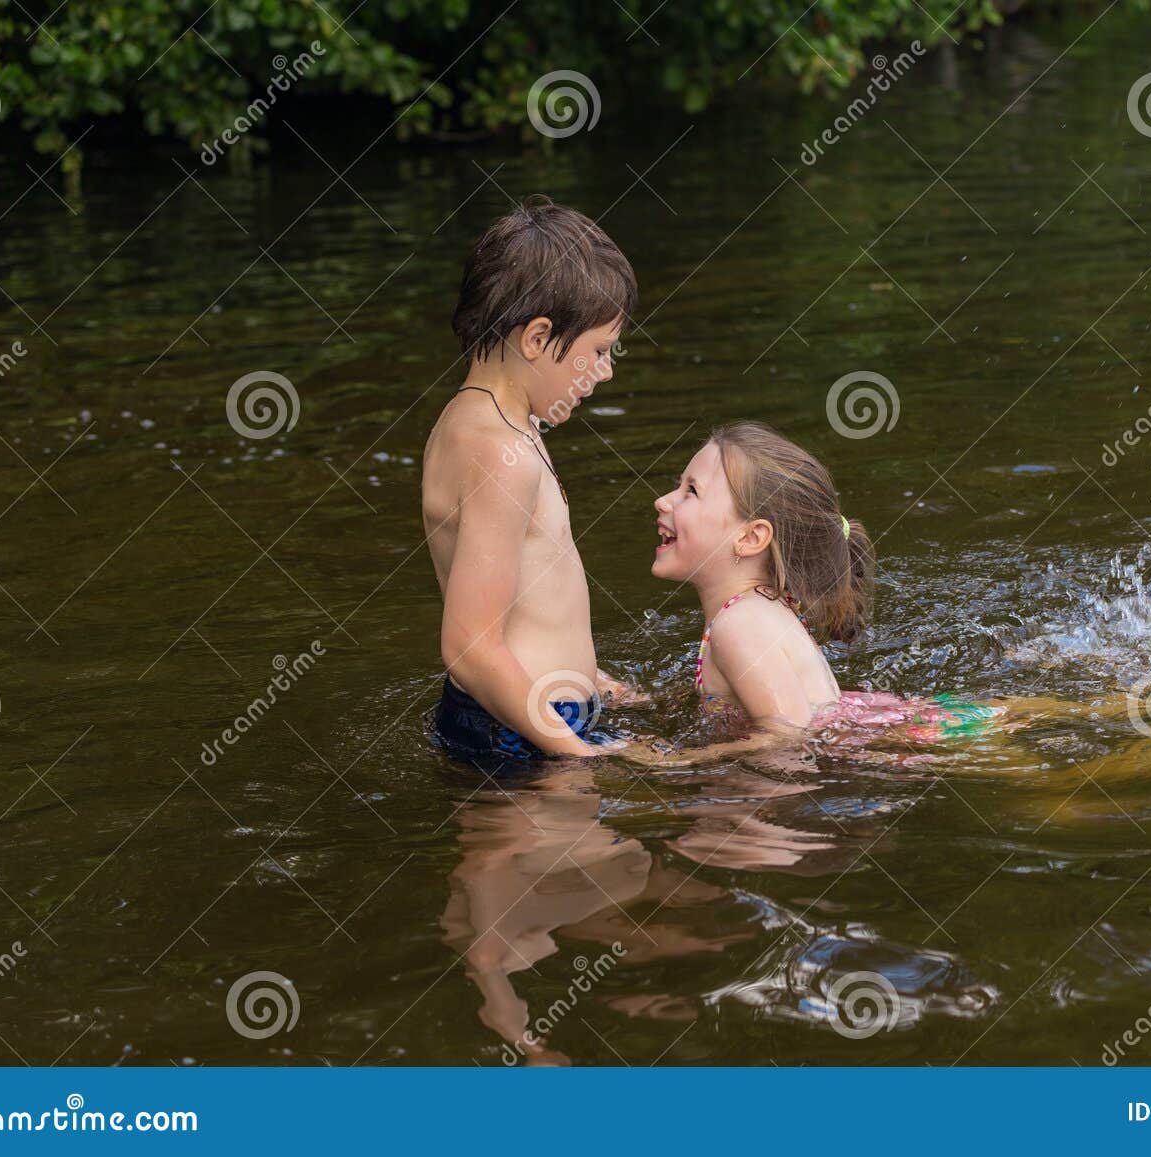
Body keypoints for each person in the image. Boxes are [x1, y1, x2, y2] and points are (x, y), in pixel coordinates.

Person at [648, 421, 1005, 762]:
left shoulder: (738, 625)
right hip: (915, 722)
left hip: (906, 740)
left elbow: (788, 739)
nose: (663, 501)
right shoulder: (757, 609)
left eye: (691, 491)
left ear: (751, 538)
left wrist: (673, 760)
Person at [423, 195, 638, 761]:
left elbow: (528, 599)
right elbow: (470, 645)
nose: (606, 370)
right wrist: (576, 752)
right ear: (537, 338)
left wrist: (594, 678)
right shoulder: (500, 454)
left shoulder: (484, 422)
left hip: (528, 714)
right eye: (597, 351)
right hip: (521, 729)